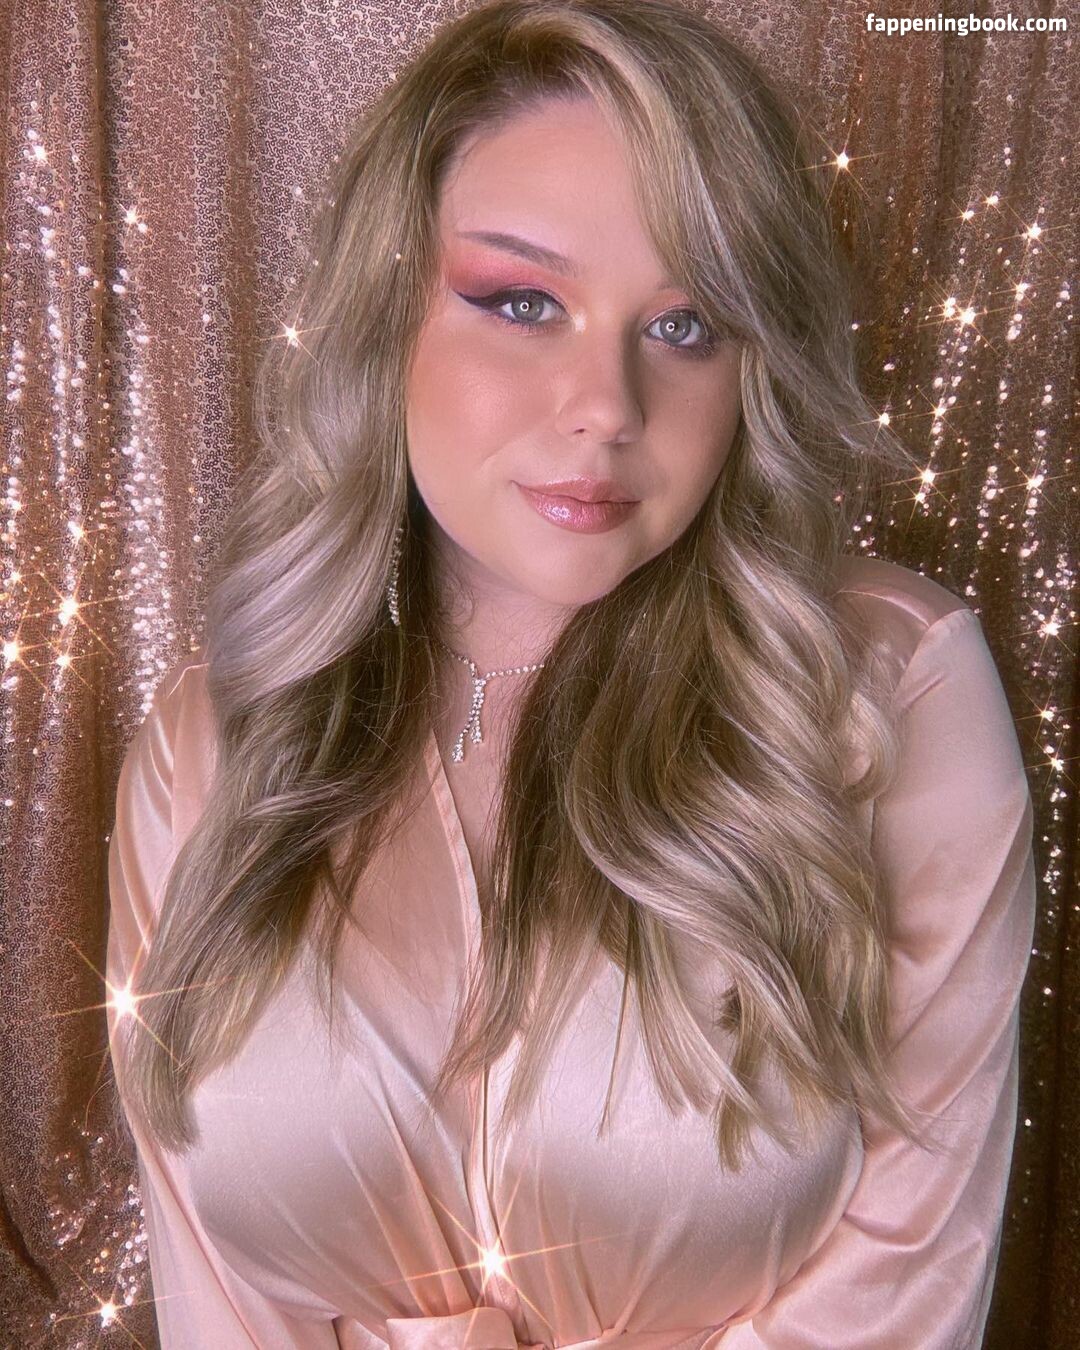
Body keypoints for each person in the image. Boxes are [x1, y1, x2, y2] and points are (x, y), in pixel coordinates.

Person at [105, 1, 1037, 1346]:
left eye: (687, 324)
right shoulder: (214, 744)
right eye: (522, 301)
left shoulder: (882, 696)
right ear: (388, 316)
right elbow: (216, 1294)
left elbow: (906, 1280)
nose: (606, 403)